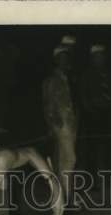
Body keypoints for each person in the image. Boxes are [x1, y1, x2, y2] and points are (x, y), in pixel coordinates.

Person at [42, 45, 78, 200]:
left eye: (66, 58)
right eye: (61, 58)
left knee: (66, 161)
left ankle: (66, 195)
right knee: (69, 159)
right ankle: (66, 196)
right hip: (61, 124)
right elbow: (47, 104)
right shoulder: (52, 80)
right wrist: (53, 124)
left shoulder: (67, 78)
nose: (65, 61)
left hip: (70, 123)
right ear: (56, 60)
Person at [80, 43, 111, 177]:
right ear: (92, 58)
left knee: (110, 148)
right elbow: (83, 97)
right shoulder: (87, 74)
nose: (100, 59)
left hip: (109, 114)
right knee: (92, 150)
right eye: (97, 56)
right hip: (93, 115)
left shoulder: (110, 73)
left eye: (102, 56)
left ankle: (110, 177)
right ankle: (91, 180)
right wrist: (91, 111)